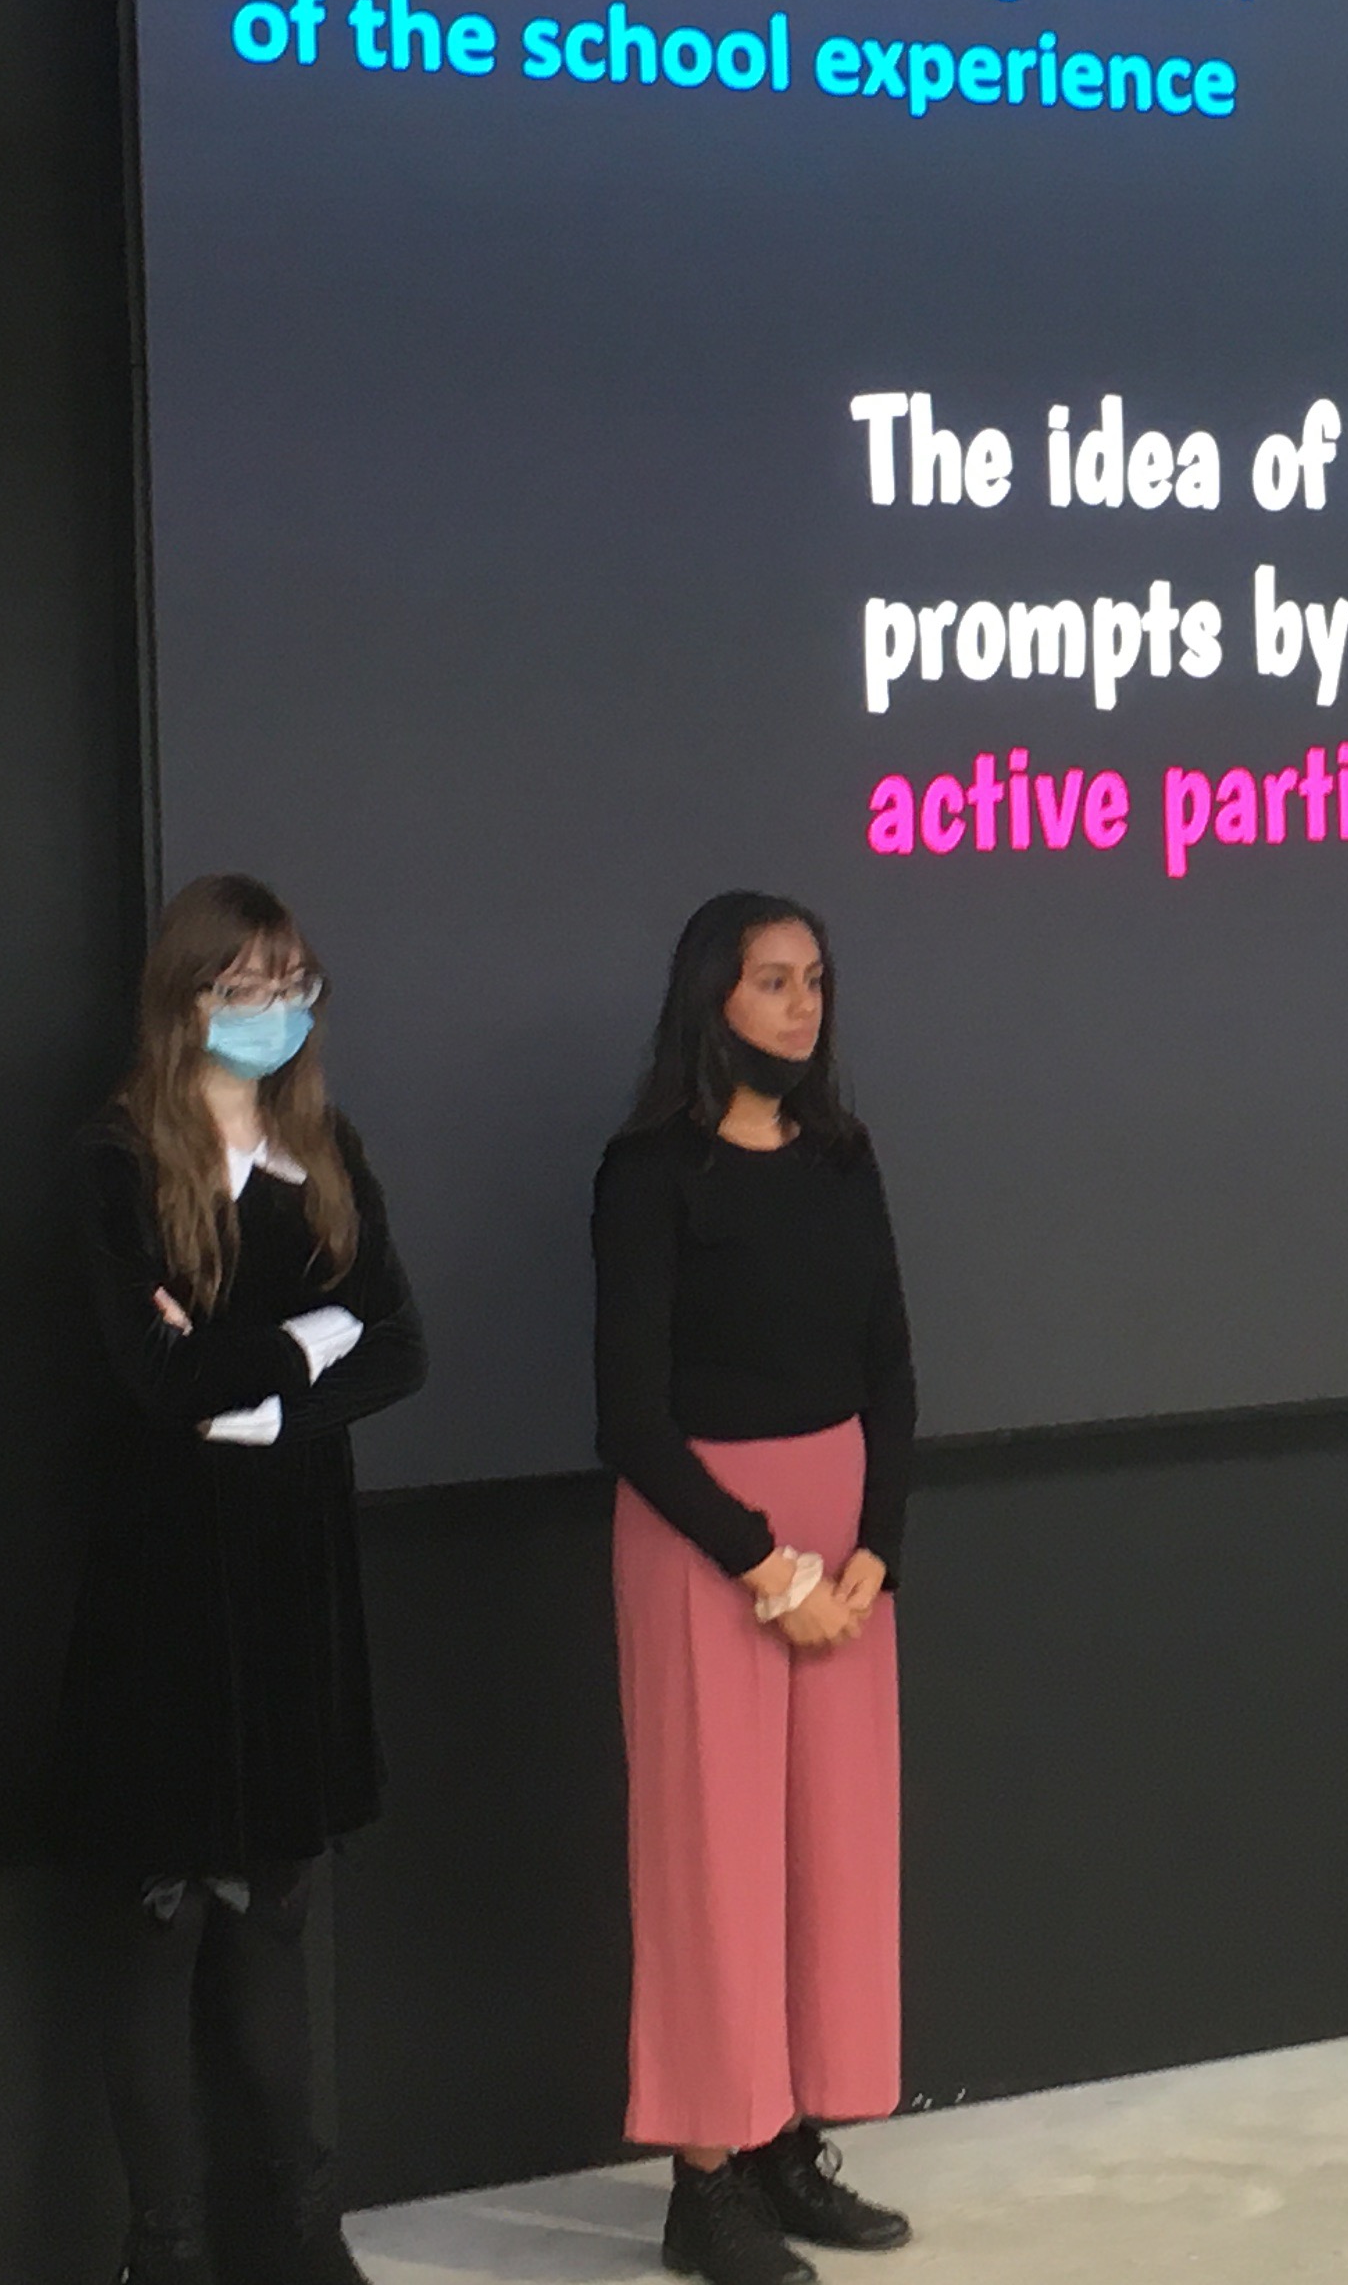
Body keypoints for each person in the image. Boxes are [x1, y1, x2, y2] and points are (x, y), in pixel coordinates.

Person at [61, 875, 426, 2283]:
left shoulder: (326, 1151)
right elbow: (155, 1380)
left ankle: (300, 2237)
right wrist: (313, 1337)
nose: (275, 1010)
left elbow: (403, 1346)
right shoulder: (116, 1160)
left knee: (275, 1923)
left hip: (290, 1591)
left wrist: (265, 1390)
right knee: (156, 1936)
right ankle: (166, 2249)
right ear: (187, 995)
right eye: (246, 986)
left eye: (293, 985)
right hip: (160, 1599)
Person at [597, 892, 919, 2284]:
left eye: (815, 981)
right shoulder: (648, 1173)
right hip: (705, 1544)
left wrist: (872, 1552)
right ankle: (706, 2179)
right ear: (709, 999)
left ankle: (790, 2140)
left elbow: (890, 1366)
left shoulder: (843, 1158)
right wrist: (765, 1567)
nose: (803, 1005)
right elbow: (630, 1416)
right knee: (713, 1860)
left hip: (839, 1546)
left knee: (829, 1853)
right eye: (774, 981)